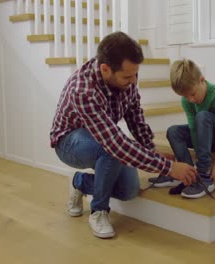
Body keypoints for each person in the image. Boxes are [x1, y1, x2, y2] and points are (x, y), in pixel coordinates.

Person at [50, 32, 197, 239]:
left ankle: (80, 182)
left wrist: (150, 149)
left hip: (104, 140)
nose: (133, 81)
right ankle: (98, 211)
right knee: (112, 148)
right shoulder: (82, 90)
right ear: (105, 69)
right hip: (68, 142)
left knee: (129, 190)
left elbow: (135, 117)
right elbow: (114, 144)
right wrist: (169, 168)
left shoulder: (127, 78)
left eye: (135, 75)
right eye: (128, 77)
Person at [148, 59, 215, 198]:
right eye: (185, 96)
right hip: (204, 133)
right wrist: (199, 151)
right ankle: (187, 175)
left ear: (202, 80)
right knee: (173, 131)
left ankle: (203, 176)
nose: (190, 99)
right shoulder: (187, 101)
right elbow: (194, 130)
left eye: (193, 94)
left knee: (202, 116)